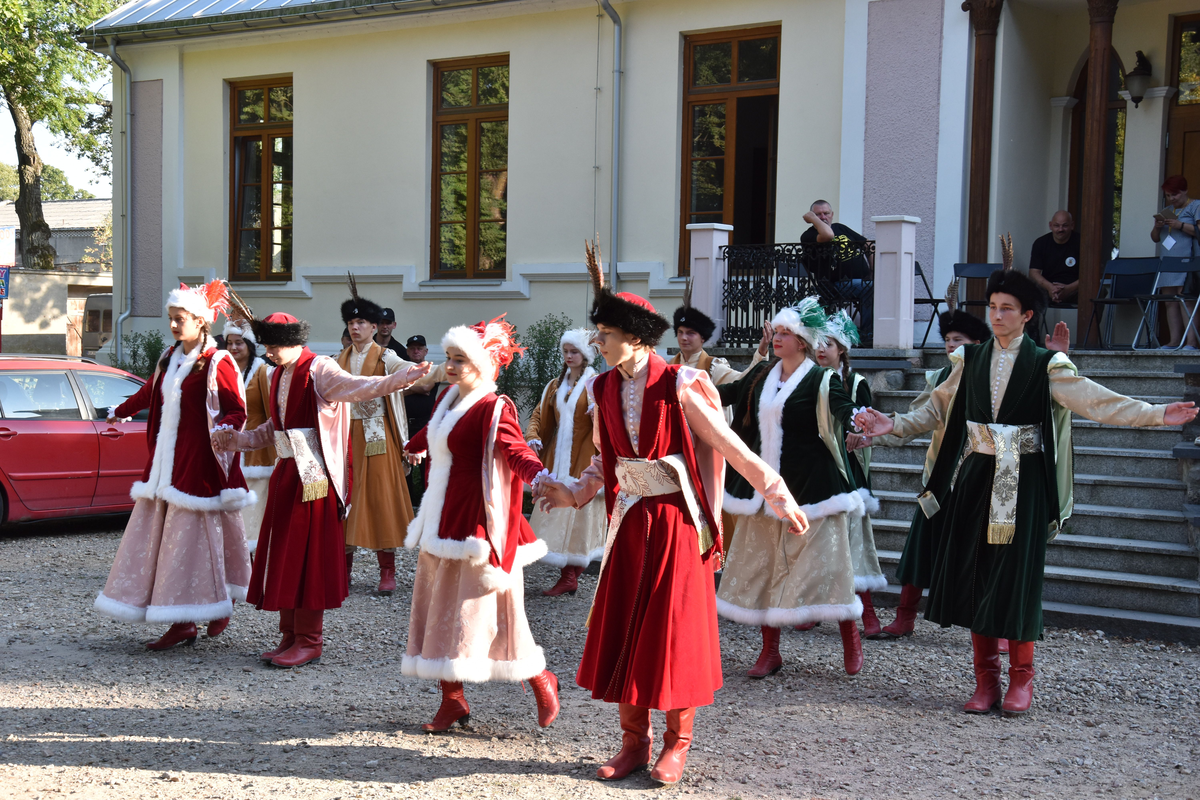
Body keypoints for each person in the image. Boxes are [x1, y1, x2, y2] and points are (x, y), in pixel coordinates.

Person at [854, 266, 1197, 716]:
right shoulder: (967, 361)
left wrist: (1155, 413)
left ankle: (1022, 680)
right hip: (974, 480)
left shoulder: (1046, 365)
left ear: (1026, 314)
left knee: (1017, 578)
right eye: (993, 307)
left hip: (1024, 485)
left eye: (1006, 309)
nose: (996, 316)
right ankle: (985, 682)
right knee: (974, 575)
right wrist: (892, 425)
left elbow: (1097, 401)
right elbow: (934, 412)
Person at [536, 244, 808, 786]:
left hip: (678, 524)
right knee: (628, 629)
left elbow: (728, 444)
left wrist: (775, 490)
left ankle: (678, 744)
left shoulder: (680, 383)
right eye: (597, 335)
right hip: (630, 522)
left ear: (633, 337)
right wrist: (573, 493)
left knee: (673, 630)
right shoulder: (601, 386)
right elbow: (604, 461)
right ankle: (634, 742)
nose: (598, 343)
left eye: (605, 335)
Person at [212, 307, 432, 668]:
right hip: (288, 473)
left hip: (314, 480)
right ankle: (289, 636)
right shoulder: (279, 372)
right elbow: (274, 427)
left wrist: (403, 377)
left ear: (291, 342)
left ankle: (310, 640)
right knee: (284, 556)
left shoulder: (320, 369)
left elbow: (361, 387)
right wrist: (238, 440)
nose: (267, 352)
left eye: (272, 346)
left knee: (306, 559)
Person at [863, 285, 1071, 643]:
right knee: (925, 547)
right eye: (993, 307)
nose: (949, 345)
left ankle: (1003, 631)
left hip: (1004, 476)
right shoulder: (954, 373)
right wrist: (889, 425)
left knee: (998, 554)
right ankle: (913, 620)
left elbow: (1072, 403)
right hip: (951, 476)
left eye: (958, 339)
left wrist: (1054, 367)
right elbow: (924, 415)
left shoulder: (1034, 365)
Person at [401, 316, 560, 732]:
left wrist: (539, 477)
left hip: (479, 524)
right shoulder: (449, 398)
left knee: (489, 612)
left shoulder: (494, 406)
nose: (451, 366)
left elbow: (516, 450)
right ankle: (451, 700)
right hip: (441, 516)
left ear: (484, 365)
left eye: (461, 360)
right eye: (450, 358)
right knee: (440, 609)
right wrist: (413, 446)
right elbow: (436, 434)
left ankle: (540, 677)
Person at [94, 281, 253, 650]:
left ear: (201, 320)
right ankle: (181, 622)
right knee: (168, 545)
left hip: (199, 466)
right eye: (171, 318)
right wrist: (120, 411)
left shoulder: (217, 361)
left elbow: (235, 409)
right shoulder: (169, 357)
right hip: (165, 465)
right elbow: (149, 393)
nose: (173, 325)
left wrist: (225, 429)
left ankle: (219, 603)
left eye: (179, 318)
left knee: (201, 541)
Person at [714, 299, 867, 680]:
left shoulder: (822, 378)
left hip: (811, 489)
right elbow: (727, 395)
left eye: (784, 334)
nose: (776, 338)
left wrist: (862, 421)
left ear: (802, 342)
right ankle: (770, 652)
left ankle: (851, 637)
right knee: (764, 568)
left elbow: (844, 407)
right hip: (764, 489)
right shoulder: (763, 373)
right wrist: (678, 389)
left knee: (829, 567)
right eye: (777, 332)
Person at [337, 278, 419, 595]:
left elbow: (409, 372)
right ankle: (344, 572)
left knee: (380, 499)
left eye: (362, 322)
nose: (356, 327)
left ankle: (387, 570)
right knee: (345, 497)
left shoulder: (386, 357)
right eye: (351, 322)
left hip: (377, 436)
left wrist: (428, 371)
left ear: (374, 327)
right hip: (344, 436)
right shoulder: (337, 360)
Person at [812, 309, 886, 636]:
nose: (821, 348)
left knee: (853, 539)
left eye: (828, 343)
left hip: (849, 471)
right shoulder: (808, 379)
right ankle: (813, 606)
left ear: (841, 348)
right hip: (814, 467)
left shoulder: (856, 383)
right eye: (817, 342)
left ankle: (867, 614)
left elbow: (868, 426)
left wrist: (862, 435)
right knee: (814, 538)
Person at [525, 329, 604, 596]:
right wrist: (533, 436)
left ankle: (570, 575)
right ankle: (567, 575)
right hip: (557, 463)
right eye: (566, 352)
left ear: (586, 355)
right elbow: (538, 415)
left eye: (574, 352)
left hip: (584, 464)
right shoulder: (554, 385)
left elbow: (608, 427)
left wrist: (598, 416)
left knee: (579, 521)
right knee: (557, 517)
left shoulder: (597, 385)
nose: (569, 356)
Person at [223, 320, 275, 554]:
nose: (233, 348)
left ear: (250, 345)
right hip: (227, 453)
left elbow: (272, 414)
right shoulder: (222, 372)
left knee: (255, 515)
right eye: (229, 343)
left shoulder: (263, 372)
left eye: (239, 343)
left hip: (257, 457)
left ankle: (256, 567)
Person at [800, 200, 873, 339]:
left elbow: (868, 245)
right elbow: (828, 235)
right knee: (871, 288)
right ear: (812, 218)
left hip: (861, 282)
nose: (823, 217)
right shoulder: (808, 235)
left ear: (832, 214)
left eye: (826, 213)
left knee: (879, 287)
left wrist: (872, 272)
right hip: (834, 285)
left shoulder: (840, 228)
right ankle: (868, 334)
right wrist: (815, 221)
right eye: (818, 214)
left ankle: (876, 332)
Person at [1150, 175, 1200, 349]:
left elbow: (1198, 231)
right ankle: (1174, 341)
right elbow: (1155, 239)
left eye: (1175, 194)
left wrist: (1179, 225)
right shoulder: (1167, 210)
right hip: (1168, 263)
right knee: (1170, 301)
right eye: (1168, 195)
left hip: (1187, 261)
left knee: (1186, 301)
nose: (1171, 199)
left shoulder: (1196, 206)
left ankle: (1191, 342)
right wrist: (1157, 227)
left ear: (1185, 191)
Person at [1028, 211, 1080, 306]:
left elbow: (1089, 275)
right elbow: (1033, 273)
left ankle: (1089, 321)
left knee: (1097, 291)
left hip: (1075, 289)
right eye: (1056, 225)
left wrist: (1068, 289)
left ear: (1072, 225)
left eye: (1065, 226)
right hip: (1047, 288)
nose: (1060, 229)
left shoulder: (1082, 243)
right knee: (1024, 290)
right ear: (1050, 225)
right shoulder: (1040, 243)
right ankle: (1032, 321)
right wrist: (1050, 287)